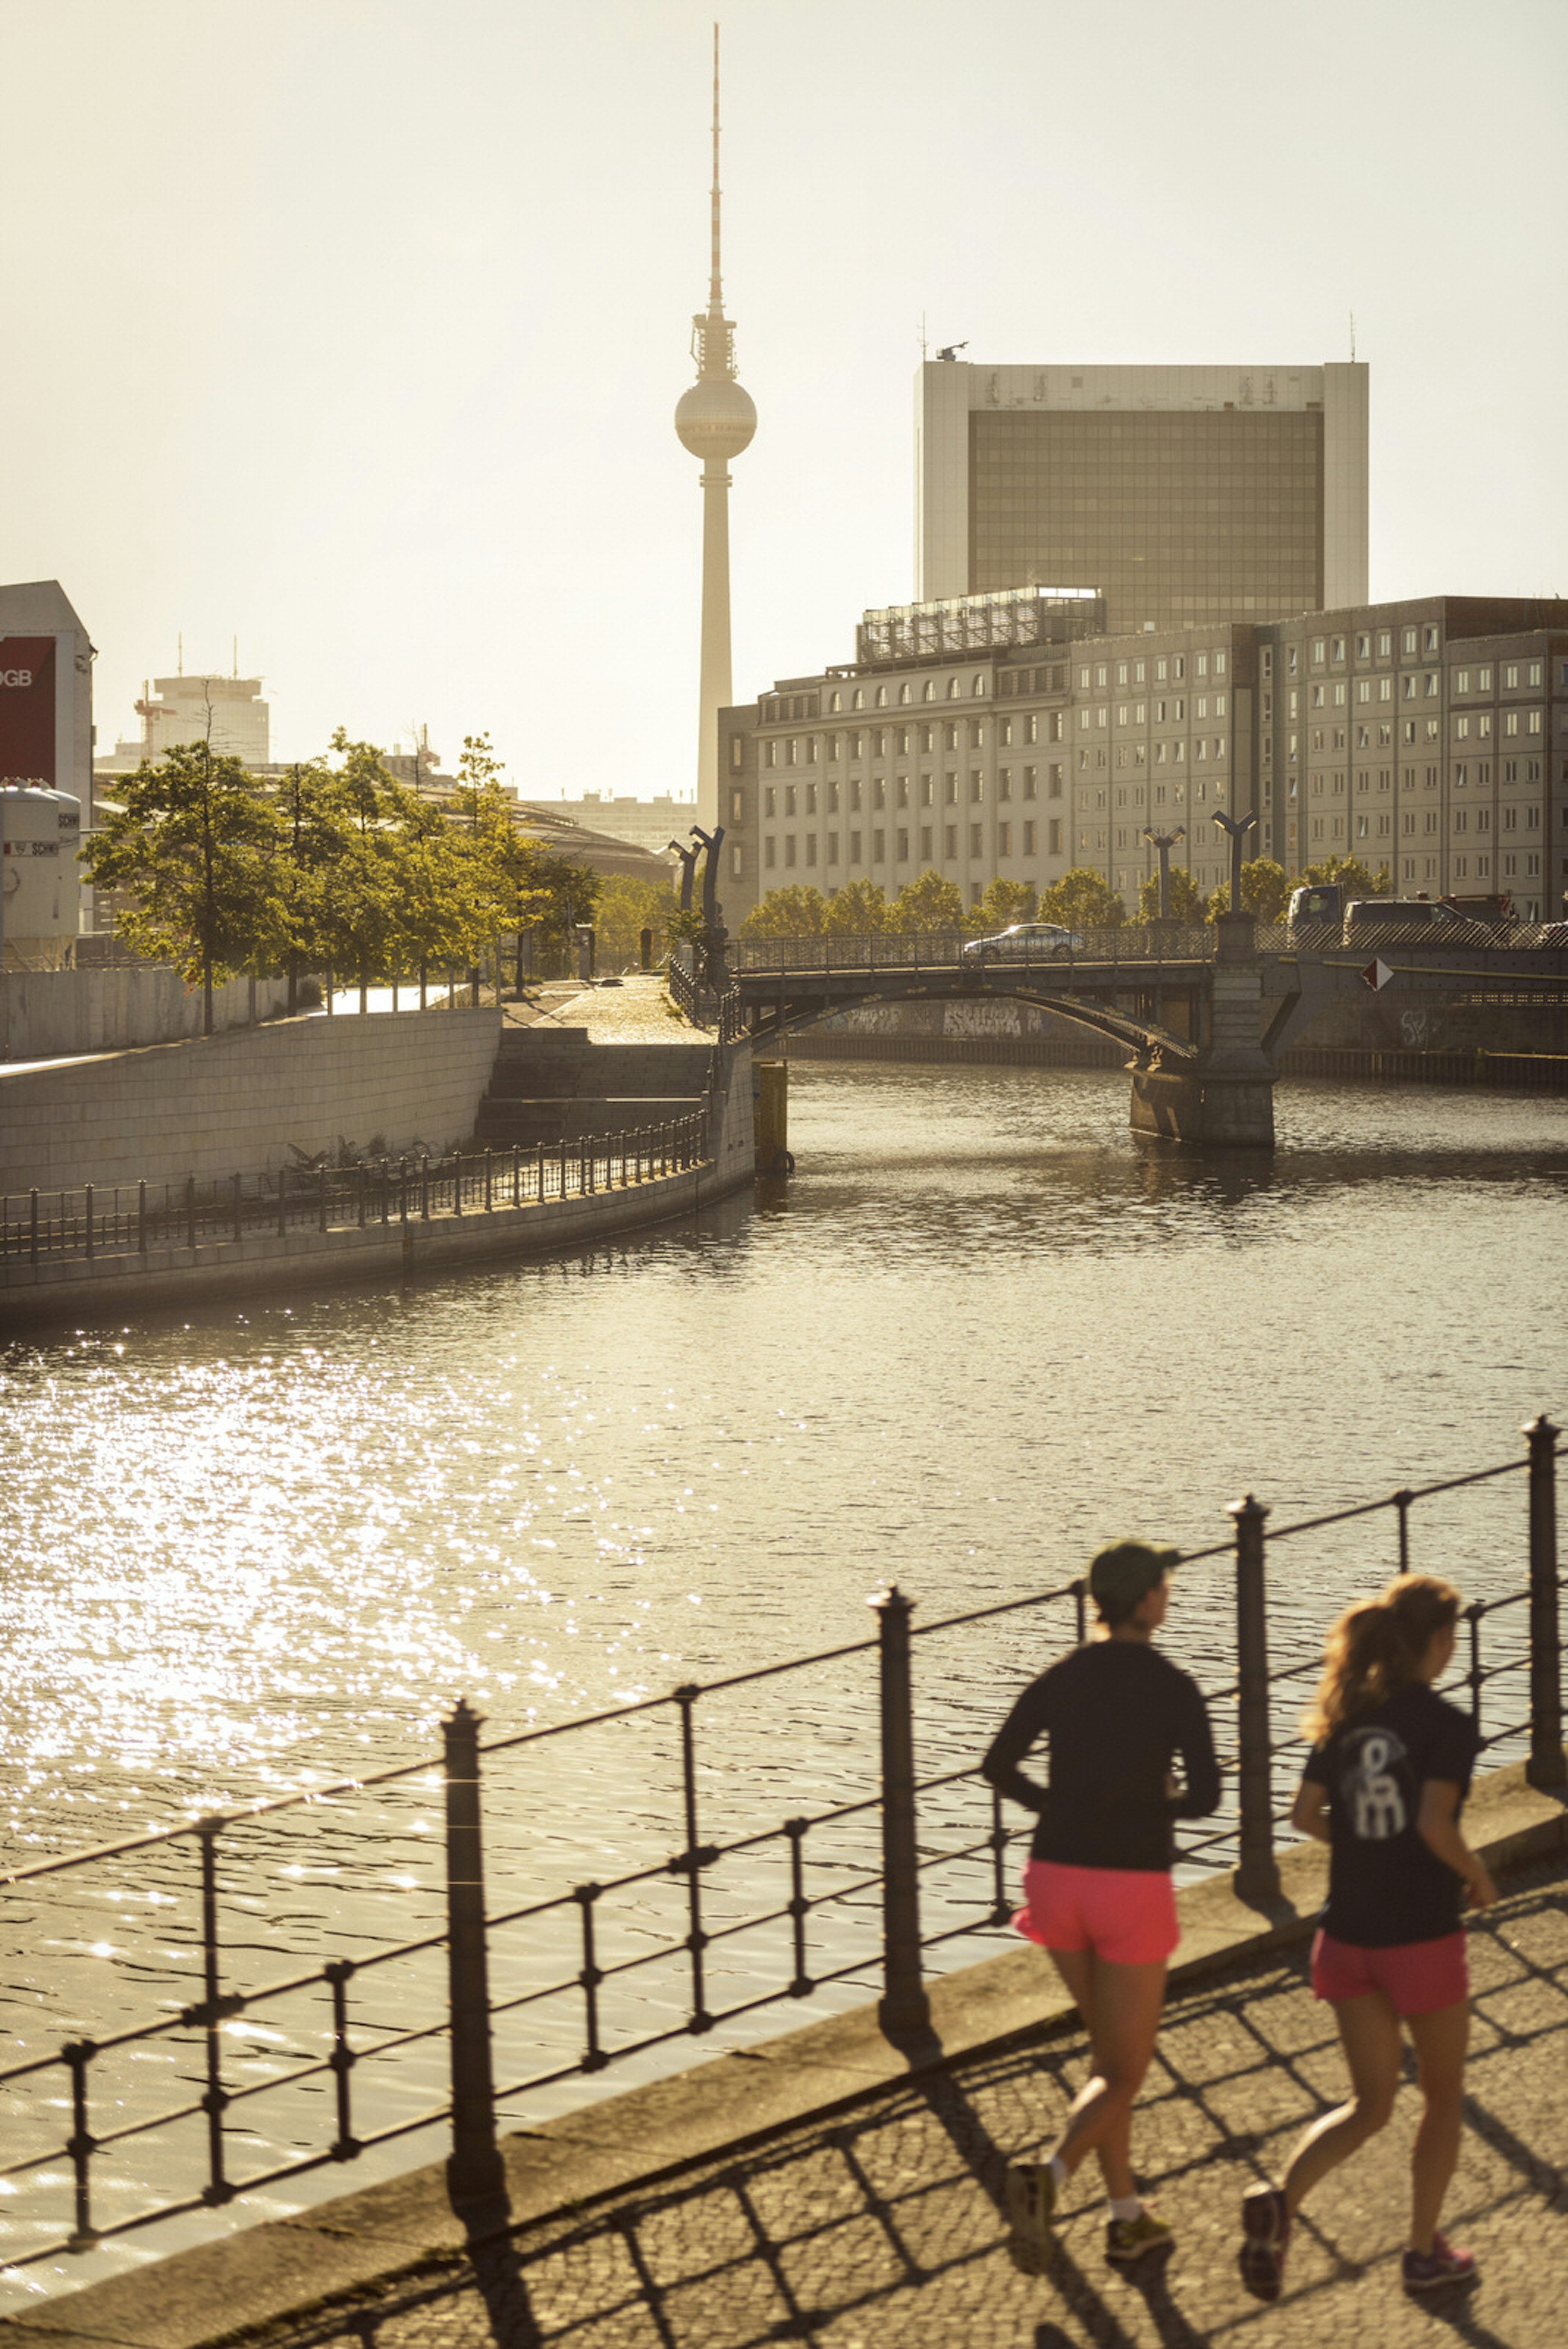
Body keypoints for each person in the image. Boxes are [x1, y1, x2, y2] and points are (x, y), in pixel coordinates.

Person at [1238, 1572, 1496, 2303]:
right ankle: (1423, 2252)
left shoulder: (1348, 1719)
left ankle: (1282, 2201)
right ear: (1442, 1641)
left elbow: (1304, 1814)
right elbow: (1434, 1825)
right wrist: (1476, 1874)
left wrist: (1359, 1841)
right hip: (1420, 1936)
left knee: (1369, 2104)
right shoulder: (1448, 1725)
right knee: (1443, 2097)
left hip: (1347, 1936)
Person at [981, 1539, 1219, 2271]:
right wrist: (1156, 1805)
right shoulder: (1175, 1687)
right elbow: (1208, 1797)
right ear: (1148, 1599)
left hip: (1055, 1876)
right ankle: (1048, 2177)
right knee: (1125, 2070)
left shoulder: (1062, 1675)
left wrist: (1063, 1807)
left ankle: (1126, 2218)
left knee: (1107, 2061)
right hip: (1129, 1885)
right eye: (1165, 1585)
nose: (1168, 1594)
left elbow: (997, 1764)